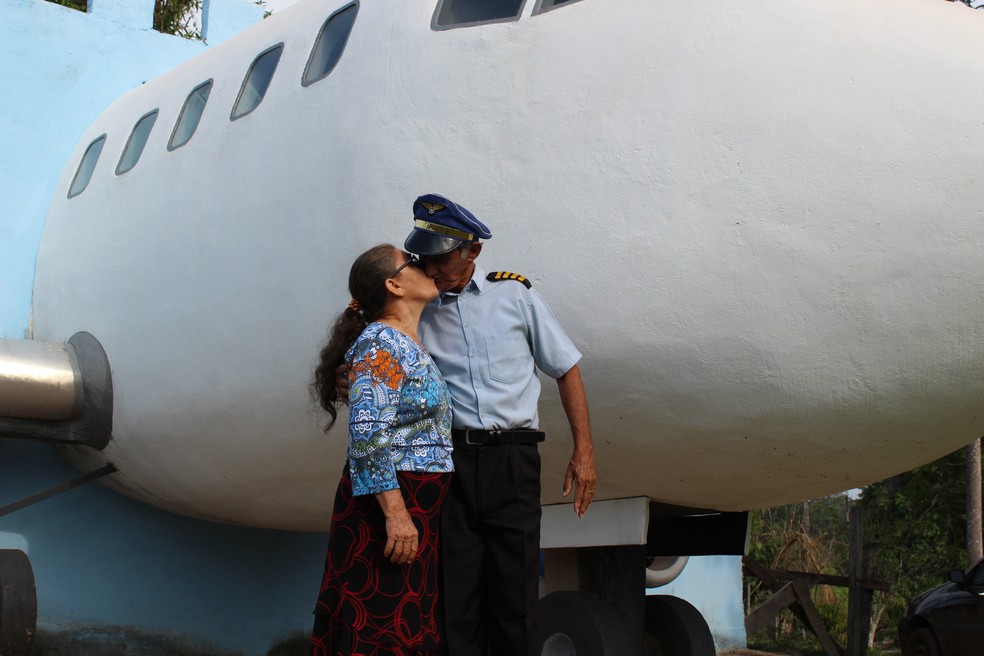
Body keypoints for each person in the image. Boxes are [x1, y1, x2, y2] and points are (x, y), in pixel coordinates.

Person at [405, 193, 598, 656]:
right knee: (457, 599)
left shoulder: (513, 294)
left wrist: (584, 450)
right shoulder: (418, 307)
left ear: (473, 251)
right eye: (424, 255)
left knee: (515, 598)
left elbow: (565, 367)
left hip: (513, 458)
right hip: (450, 462)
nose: (431, 266)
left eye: (442, 255)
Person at [309, 243, 455, 656]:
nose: (425, 265)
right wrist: (396, 516)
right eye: (412, 262)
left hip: (414, 506)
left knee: (403, 628)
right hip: (389, 509)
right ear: (394, 284)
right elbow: (369, 433)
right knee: (381, 631)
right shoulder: (381, 344)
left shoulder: (403, 343)